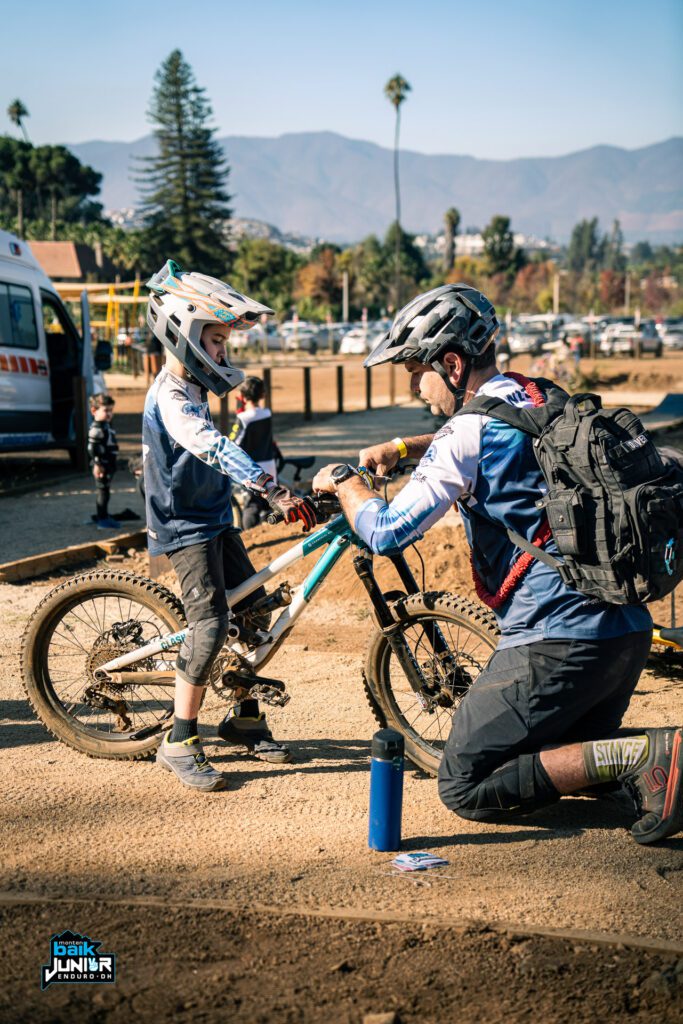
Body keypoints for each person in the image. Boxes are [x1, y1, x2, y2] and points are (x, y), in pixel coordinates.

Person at [312, 283, 682, 845]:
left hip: (558, 643)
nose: (413, 386)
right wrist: (406, 448)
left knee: (464, 783)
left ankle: (643, 754)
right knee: (548, 757)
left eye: (416, 371)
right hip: (622, 636)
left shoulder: (466, 433)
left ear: (452, 364)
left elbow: (386, 531)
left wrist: (345, 482)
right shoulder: (540, 395)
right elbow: (484, 430)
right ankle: (648, 762)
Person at [143, 260, 316, 791]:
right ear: (184, 333)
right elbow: (212, 446)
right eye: (216, 340)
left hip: (215, 516)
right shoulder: (171, 396)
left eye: (224, 342)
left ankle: (243, 718)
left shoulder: (195, 388)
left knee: (254, 612)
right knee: (211, 626)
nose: (223, 352)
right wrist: (271, 488)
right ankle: (179, 740)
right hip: (184, 527)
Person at [229, 376, 280, 529]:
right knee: (267, 502)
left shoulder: (243, 418)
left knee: (252, 504)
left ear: (243, 396)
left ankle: (249, 534)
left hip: (252, 468)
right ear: (262, 395)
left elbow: (233, 443)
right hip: (270, 464)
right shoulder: (267, 413)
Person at [87, 392, 120, 530]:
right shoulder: (96, 428)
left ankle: (103, 515)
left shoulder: (105, 425)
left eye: (111, 410)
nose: (109, 414)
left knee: (105, 491)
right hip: (102, 465)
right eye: (106, 410)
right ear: (94, 411)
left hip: (108, 464)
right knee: (103, 492)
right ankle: (102, 519)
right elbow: (92, 448)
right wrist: (97, 464)